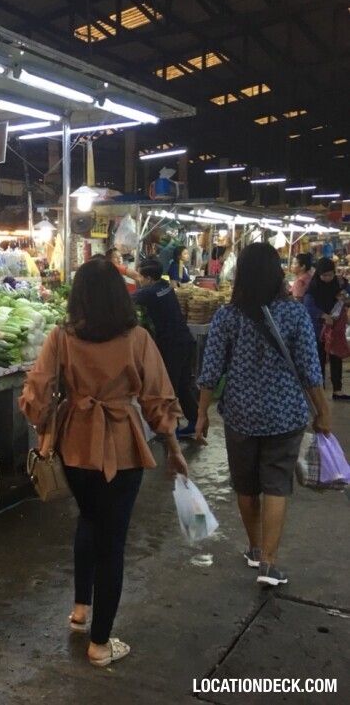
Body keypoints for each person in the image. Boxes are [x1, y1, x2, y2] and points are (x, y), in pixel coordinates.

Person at [19, 258, 188, 668]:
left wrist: (46, 423)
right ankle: (99, 644)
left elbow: (36, 397)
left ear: (78, 298)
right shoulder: (138, 339)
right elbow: (157, 399)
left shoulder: (61, 338)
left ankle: (80, 610)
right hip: (122, 445)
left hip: (75, 446)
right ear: (120, 295)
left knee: (89, 520)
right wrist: (174, 447)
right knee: (112, 541)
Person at [196, 243, 331, 587]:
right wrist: (323, 412)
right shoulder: (295, 314)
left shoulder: (227, 316)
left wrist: (201, 415)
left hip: (241, 414)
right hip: (285, 414)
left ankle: (255, 548)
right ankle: (269, 564)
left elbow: (210, 371)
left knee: (246, 484)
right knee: (276, 485)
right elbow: (311, 371)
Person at [133, 259, 201, 439]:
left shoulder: (149, 293)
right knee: (183, 384)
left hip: (172, 345)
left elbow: (124, 301)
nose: (138, 279)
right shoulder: (165, 286)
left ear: (148, 278)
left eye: (140, 276)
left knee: (168, 387)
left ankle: (170, 428)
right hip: (185, 340)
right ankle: (194, 421)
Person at [303, 257, 350, 400]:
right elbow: (309, 305)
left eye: (330, 274)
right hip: (318, 328)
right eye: (324, 275)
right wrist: (323, 316)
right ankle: (320, 390)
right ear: (319, 274)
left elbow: (348, 296)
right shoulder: (313, 287)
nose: (328, 278)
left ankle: (337, 390)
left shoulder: (341, 282)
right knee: (319, 358)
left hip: (335, 328)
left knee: (336, 356)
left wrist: (346, 298)